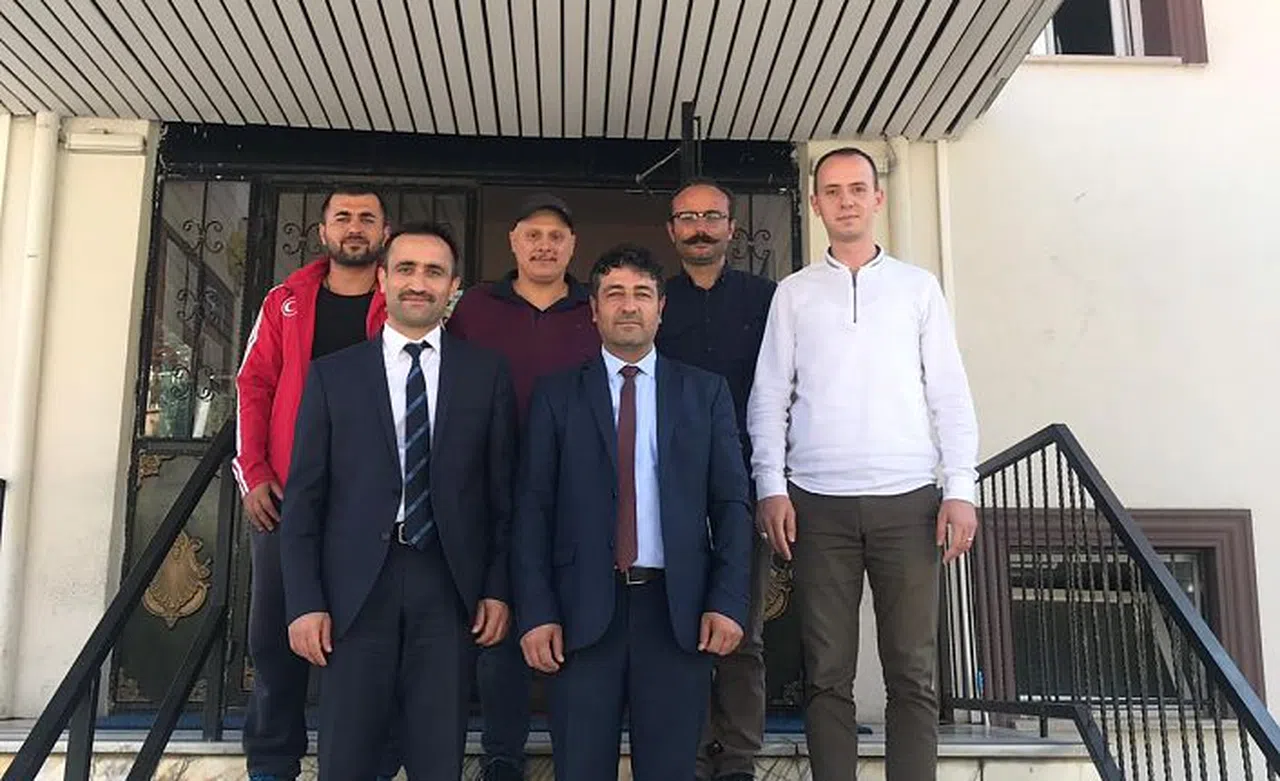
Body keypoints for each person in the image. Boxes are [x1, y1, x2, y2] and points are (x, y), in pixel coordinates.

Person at [747, 147, 980, 781]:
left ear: (877, 198)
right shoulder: (794, 294)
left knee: (914, 672)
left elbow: (949, 393)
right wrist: (771, 485)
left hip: (910, 502)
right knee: (826, 674)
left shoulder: (917, 288)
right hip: (817, 503)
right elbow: (769, 396)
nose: (845, 200)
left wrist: (961, 487)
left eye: (857, 188)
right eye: (832, 190)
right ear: (815, 203)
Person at [279, 222, 517, 779]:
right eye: (406, 268)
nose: (418, 282)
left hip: (448, 585)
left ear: (453, 287)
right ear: (382, 279)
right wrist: (304, 601)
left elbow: (502, 496)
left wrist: (497, 588)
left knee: (438, 755)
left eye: (434, 272)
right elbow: (305, 500)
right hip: (355, 590)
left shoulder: (486, 374)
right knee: (347, 757)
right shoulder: (332, 377)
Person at [513, 244, 754, 781]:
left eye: (642, 294)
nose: (628, 306)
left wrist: (728, 601)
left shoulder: (705, 393)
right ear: (594, 309)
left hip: (675, 614)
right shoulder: (556, 396)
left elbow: (731, 505)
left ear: (661, 307)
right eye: (614, 294)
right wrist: (537, 611)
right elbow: (532, 510)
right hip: (579, 617)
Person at [232, 186, 388, 781]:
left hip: (372, 502)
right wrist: (255, 473)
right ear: (323, 232)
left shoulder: (400, 300)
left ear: (384, 232)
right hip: (287, 497)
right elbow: (253, 386)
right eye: (342, 217)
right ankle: (273, 763)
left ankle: (365, 761)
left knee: (367, 637)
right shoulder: (286, 301)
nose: (355, 227)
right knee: (275, 638)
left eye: (367, 218)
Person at [447, 192, 600, 780]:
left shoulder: (594, 307)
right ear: (513, 241)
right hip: (491, 485)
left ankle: (577, 756)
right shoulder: (476, 308)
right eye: (532, 234)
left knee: (576, 621)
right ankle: (501, 757)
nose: (544, 246)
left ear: (572, 245)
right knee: (499, 622)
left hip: (577, 489)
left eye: (556, 236)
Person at [655, 179, 776, 781]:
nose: (699, 228)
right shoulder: (654, 300)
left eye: (711, 217)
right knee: (679, 626)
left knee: (742, 629)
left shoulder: (768, 300)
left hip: (746, 483)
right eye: (687, 217)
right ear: (671, 229)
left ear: (732, 227)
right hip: (667, 486)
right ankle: (693, 752)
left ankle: (740, 759)